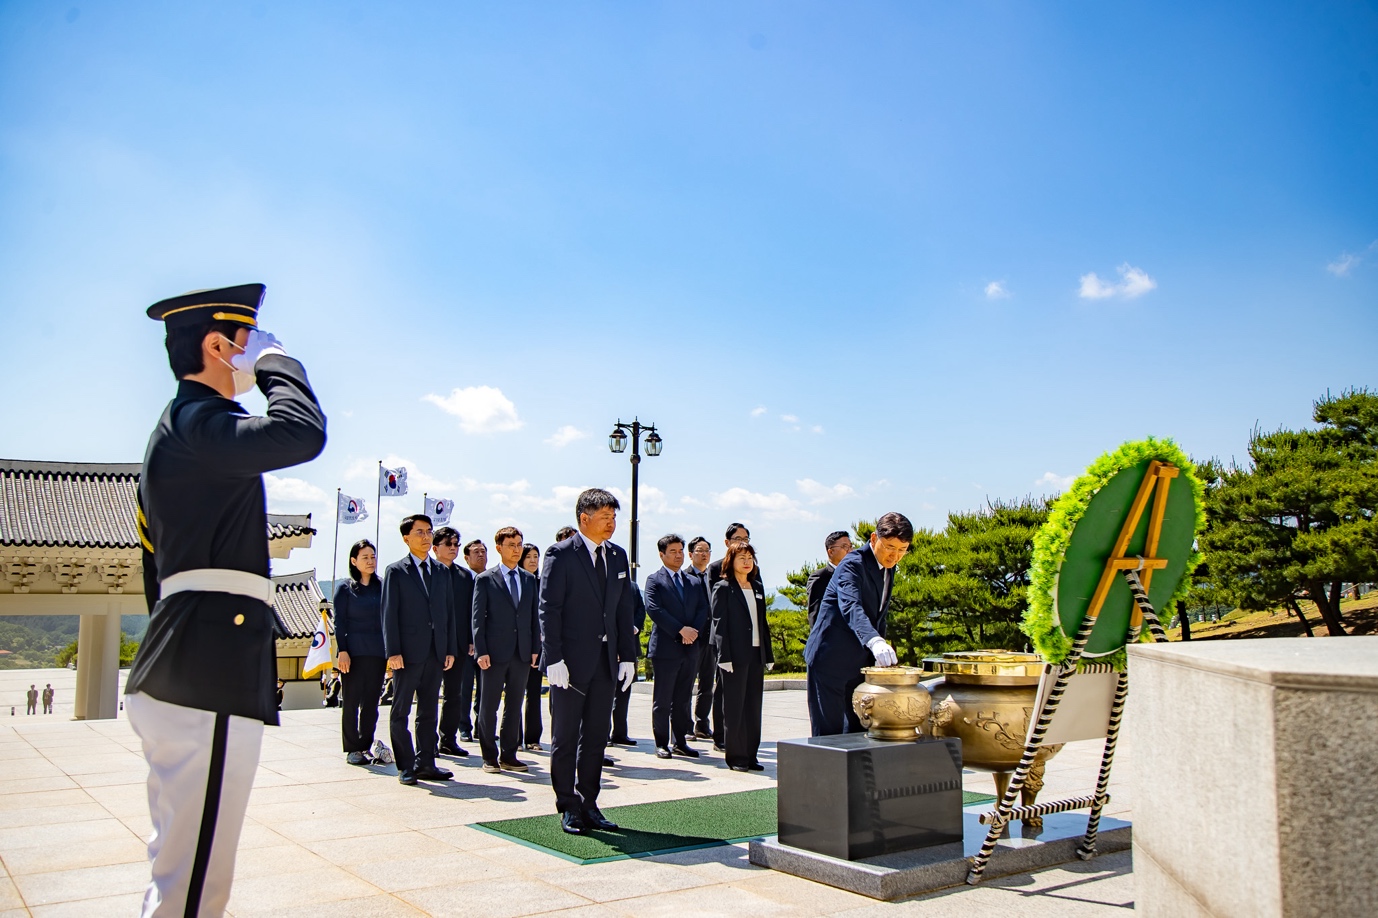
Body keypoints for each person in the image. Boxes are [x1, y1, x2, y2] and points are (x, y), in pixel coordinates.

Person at [125, 283, 327, 917]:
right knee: (193, 887)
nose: (256, 347)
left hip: (188, 656)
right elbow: (301, 432)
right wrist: (279, 364)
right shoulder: (198, 422)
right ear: (218, 345)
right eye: (247, 339)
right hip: (205, 671)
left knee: (180, 872)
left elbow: (153, 572)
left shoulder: (178, 429)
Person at [539, 489, 639, 835]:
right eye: (605, 516)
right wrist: (554, 658)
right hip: (569, 664)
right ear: (585, 518)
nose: (612, 523)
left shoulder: (617, 556)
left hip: (605, 663)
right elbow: (548, 609)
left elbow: (623, 609)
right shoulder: (561, 554)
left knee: (597, 736)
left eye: (614, 516)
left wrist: (628, 655)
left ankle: (589, 802)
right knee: (565, 737)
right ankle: (567, 805)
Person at [803, 512, 914, 737]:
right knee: (829, 735)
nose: (895, 556)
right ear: (874, 539)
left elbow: (878, 615)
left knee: (858, 730)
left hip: (858, 662)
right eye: (890, 547)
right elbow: (851, 606)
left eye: (902, 550)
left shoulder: (888, 566)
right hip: (829, 659)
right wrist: (874, 641)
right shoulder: (852, 564)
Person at [381, 514, 458, 786]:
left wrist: (449, 648)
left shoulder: (440, 571)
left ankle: (426, 763)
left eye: (428, 532)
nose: (426, 537)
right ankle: (405, 765)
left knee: (428, 711)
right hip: (407, 652)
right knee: (400, 710)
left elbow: (448, 612)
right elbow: (389, 614)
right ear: (406, 538)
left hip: (435, 653)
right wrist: (393, 651)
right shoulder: (396, 571)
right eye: (419, 532)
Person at [472, 527, 540, 773]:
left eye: (519, 544)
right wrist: (481, 651)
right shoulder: (485, 579)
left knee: (514, 705)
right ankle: (489, 756)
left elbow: (534, 617)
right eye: (511, 544)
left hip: (521, 653)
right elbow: (477, 619)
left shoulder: (529, 579)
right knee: (488, 706)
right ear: (499, 548)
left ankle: (509, 755)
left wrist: (535, 649)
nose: (516, 549)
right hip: (493, 653)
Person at [644, 534, 709, 758]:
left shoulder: (693, 581)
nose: (678, 555)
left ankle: (680, 741)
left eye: (681, 551)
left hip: (690, 648)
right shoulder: (654, 580)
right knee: (662, 699)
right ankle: (661, 743)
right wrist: (680, 630)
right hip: (665, 648)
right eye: (673, 551)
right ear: (662, 554)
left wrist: (693, 632)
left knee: (683, 698)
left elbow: (703, 609)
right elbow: (654, 610)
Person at [713, 541, 774, 772]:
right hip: (734, 656)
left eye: (750, 557)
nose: (747, 562)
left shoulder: (757, 586)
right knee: (735, 708)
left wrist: (767, 654)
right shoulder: (723, 587)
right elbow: (719, 625)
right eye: (742, 558)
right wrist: (723, 656)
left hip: (756, 654)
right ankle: (736, 757)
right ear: (731, 561)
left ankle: (751, 755)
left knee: (752, 707)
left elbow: (762, 623)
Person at [333, 539, 387, 766]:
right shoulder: (345, 589)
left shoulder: (383, 586)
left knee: (372, 703)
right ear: (354, 561)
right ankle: (352, 748)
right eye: (365, 557)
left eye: (373, 557)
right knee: (352, 701)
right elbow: (340, 623)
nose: (370, 561)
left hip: (377, 652)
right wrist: (342, 650)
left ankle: (366, 744)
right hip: (353, 653)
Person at [432, 526, 473, 758]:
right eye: (449, 545)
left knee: (454, 694)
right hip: (432, 644)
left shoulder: (464, 576)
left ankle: (448, 739)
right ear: (436, 547)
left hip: (457, 645)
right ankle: (428, 742)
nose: (453, 549)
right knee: (428, 696)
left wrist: (469, 640)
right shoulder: (429, 573)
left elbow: (470, 611)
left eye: (456, 545)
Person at [453, 538, 488, 742]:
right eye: (476, 552)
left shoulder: (493, 578)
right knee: (464, 688)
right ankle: (463, 727)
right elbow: (463, 614)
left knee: (485, 690)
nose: (481, 554)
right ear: (466, 558)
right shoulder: (462, 580)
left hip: (487, 644)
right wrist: (469, 640)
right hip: (465, 645)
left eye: (483, 551)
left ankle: (481, 727)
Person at [687, 537, 721, 744]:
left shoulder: (713, 576)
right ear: (690, 554)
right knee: (686, 684)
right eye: (700, 550)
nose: (704, 554)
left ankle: (702, 724)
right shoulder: (684, 577)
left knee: (707, 684)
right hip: (691, 638)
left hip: (710, 638)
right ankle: (684, 727)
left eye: (707, 550)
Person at [608, 578, 646, 747]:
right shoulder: (604, 584)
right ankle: (603, 734)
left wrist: (634, 627)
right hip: (607, 646)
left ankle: (620, 733)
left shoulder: (632, 587)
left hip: (629, 645)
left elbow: (640, 610)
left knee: (624, 692)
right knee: (605, 694)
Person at [519, 543, 545, 751]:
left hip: (539, 645)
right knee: (515, 694)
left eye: (536, 556)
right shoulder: (516, 581)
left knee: (534, 693)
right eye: (529, 556)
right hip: (517, 645)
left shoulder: (543, 583)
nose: (533, 560)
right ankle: (514, 737)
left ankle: (533, 738)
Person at [806, 531, 854, 630]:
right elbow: (816, 617)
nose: (850, 551)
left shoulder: (855, 576)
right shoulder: (820, 577)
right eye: (845, 547)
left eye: (851, 546)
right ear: (831, 552)